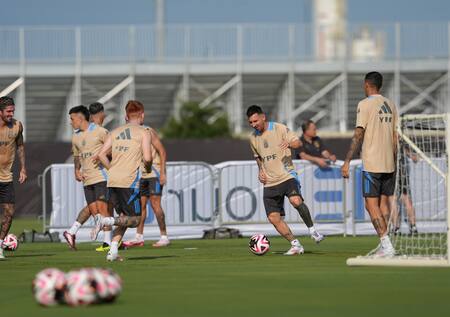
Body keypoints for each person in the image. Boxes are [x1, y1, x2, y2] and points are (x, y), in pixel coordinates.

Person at [247, 105, 324, 256]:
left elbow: (298, 143)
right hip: (269, 182)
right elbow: (258, 158)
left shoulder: (279, 128)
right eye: (250, 122)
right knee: (273, 218)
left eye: (255, 121)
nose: (253, 124)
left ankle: (313, 231)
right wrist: (260, 171)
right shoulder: (253, 138)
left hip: (287, 175)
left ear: (263, 117)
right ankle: (295, 245)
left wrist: (289, 143)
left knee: (296, 201)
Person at [341, 71, 397, 257]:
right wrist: (394, 159)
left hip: (372, 162)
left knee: (370, 205)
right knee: (383, 205)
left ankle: (386, 244)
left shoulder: (364, 104)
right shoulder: (391, 104)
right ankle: (386, 242)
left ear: (367, 84)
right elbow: (395, 137)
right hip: (389, 162)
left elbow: (358, 134)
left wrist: (347, 161)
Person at [91, 100, 152, 261]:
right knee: (135, 220)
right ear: (142, 115)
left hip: (112, 181)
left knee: (124, 217)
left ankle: (112, 251)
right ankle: (105, 220)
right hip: (129, 181)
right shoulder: (144, 132)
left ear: (126, 116)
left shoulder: (115, 131)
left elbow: (101, 155)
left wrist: (112, 169)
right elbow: (147, 157)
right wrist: (149, 167)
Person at [63, 105, 110, 250]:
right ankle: (97, 227)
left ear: (80, 118)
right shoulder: (76, 136)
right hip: (87, 179)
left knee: (104, 210)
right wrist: (76, 170)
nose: (70, 122)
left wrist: (102, 154)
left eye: (72, 119)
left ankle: (108, 242)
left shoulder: (100, 131)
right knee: (95, 211)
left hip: (102, 176)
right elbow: (77, 155)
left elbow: (113, 148)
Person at [123, 127, 169, 248]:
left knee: (155, 205)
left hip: (155, 173)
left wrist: (163, 172)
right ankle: (139, 236)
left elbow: (162, 151)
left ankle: (164, 237)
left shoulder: (149, 131)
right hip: (142, 174)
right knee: (141, 206)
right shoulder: (132, 134)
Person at [0, 96, 27, 260]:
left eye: (13, 111)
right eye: (8, 111)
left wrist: (23, 168)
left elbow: (21, 146)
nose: (11, 114)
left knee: (10, 213)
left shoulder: (17, 126)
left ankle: (0, 244)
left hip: (6, 178)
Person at [390, 139, 418, 236]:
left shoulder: (388, 138)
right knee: (405, 199)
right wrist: (412, 156)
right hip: (402, 172)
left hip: (393, 171)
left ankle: (396, 228)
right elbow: (414, 158)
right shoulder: (401, 141)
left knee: (393, 199)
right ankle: (413, 227)